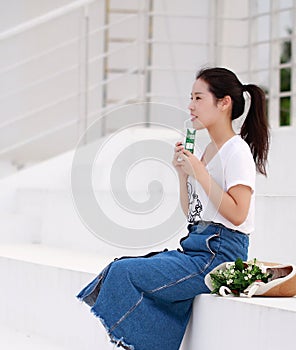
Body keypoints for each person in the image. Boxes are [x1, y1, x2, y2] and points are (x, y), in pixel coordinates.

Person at [76, 67, 269, 350]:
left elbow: (239, 213)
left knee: (123, 273)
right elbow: (192, 213)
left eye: (198, 98)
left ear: (224, 103)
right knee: (119, 268)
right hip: (197, 246)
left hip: (219, 255)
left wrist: (200, 172)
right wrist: (183, 174)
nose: (190, 106)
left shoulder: (236, 151)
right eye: (190, 98)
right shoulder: (210, 151)